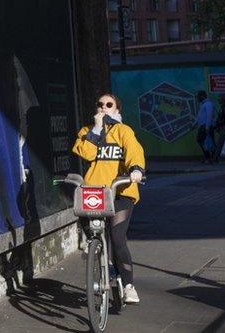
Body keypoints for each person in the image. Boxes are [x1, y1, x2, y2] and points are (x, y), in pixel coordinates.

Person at [71, 93, 145, 304]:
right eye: (100, 104)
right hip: (95, 192)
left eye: (109, 104)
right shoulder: (87, 132)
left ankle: (129, 285)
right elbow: (86, 153)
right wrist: (96, 129)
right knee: (92, 232)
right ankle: (99, 255)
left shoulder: (123, 131)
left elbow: (134, 151)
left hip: (120, 191)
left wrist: (136, 169)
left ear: (117, 110)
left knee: (117, 236)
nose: (104, 107)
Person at [196, 90, 215, 164]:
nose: (197, 98)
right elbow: (202, 116)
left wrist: (207, 127)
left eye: (198, 97)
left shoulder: (208, 104)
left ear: (202, 96)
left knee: (201, 140)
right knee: (207, 142)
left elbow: (209, 116)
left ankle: (209, 157)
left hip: (205, 126)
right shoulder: (203, 104)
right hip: (202, 126)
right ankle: (211, 158)